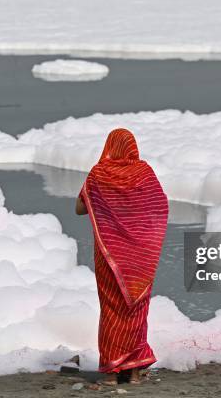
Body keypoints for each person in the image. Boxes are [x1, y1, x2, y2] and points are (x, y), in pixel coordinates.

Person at [76, 128, 168, 385]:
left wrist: (108, 203)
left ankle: (113, 375)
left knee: (112, 309)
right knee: (136, 310)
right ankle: (135, 373)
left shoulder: (99, 173)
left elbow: (79, 208)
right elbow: (160, 204)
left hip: (110, 255)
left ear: (109, 147)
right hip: (141, 256)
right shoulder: (145, 173)